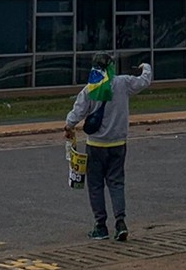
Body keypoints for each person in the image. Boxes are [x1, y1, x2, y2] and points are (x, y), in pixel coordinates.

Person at [64, 51, 152, 241]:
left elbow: (77, 112)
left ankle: (100, 226)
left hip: (95, 145)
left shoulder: (90, 88)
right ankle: (120, 222)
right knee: (116, 183)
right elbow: (144, 81)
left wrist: (69, 126)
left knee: (96, 186)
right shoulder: (123, 83)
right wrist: (146, 67)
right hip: (118, 144)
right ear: (111, 66)